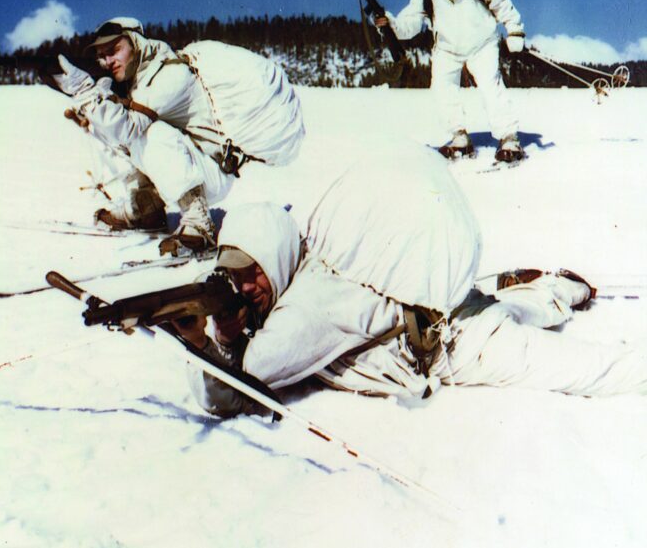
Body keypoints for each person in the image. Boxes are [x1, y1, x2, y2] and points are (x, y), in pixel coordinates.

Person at [174, 145, 647, 415]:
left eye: (253, 272)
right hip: (452, 306)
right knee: (523, 308)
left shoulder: (304, 310)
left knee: (589, 371)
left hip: (460, 347)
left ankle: (564, 296)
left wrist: (206, 342)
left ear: (275, 256)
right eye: (234, 278)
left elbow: (231, 391)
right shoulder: (322, 249)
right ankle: (564, 287)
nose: (249, 288)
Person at [52, 17, 304, 251]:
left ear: (136, 42)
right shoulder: (139, 82)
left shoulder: (170, 74)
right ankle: (146, 208)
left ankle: (198, 221)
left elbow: (128, 128)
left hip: (210, 173)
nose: (108, 61)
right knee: (112, 127)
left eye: (114, 50)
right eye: (102, 56)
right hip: (194, 166)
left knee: (148, 133)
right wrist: (94, 114)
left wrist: (87, 92)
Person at [375, 0, 526, 162]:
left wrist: (514, 30)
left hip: (482, 42)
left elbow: (499, 0)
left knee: (489, 85)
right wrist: (391, 25)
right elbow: (414, 20)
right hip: (447, 47)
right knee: (442, 88)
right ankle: (459, 139)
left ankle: (509, 139)